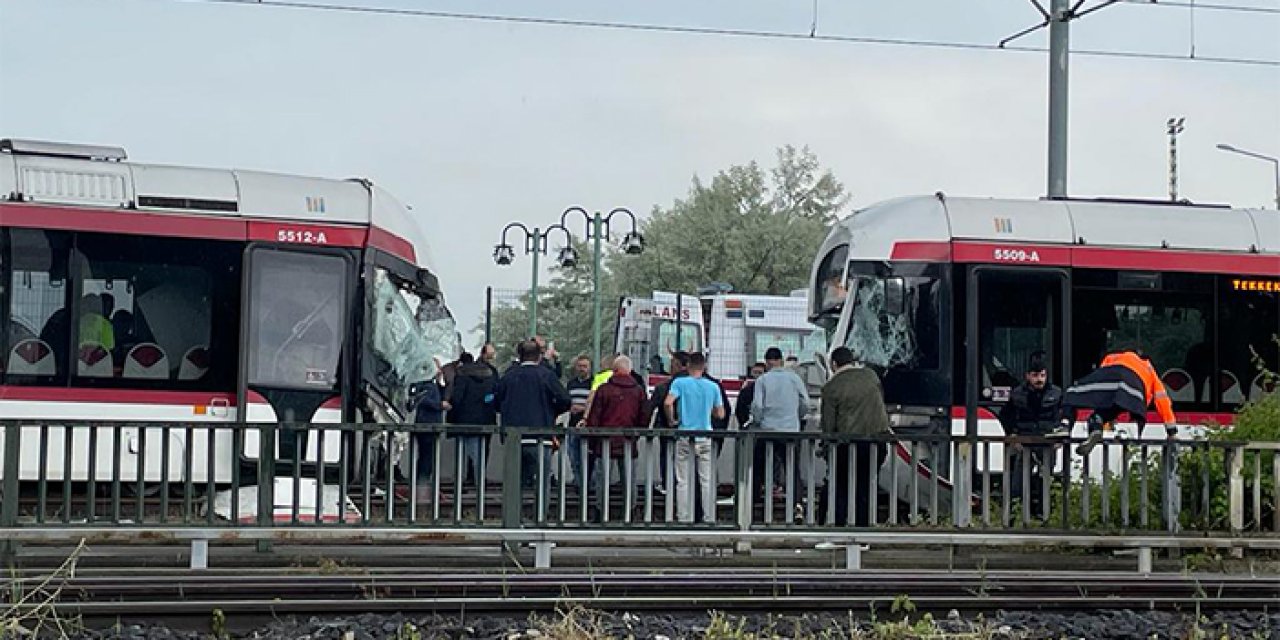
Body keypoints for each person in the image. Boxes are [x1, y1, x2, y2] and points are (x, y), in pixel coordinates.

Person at [1058, 347, 1178, 455]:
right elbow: (1162, 399)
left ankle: (1066, 425)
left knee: (1071, 393)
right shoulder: (1148, 368)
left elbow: (1102, 378)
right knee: (1107, 412)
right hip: (1134, 394)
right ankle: (1096, 426)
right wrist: (1171, 431)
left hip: (1112, 379)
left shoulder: (1113, 357)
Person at [819, 346, 890, 527]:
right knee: (865, 487)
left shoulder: (831, 387)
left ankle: (839, 529)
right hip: (877, 441)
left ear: (833, 364)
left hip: (847, 445)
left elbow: (828, 424)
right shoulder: (871, 376)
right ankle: (863, 531)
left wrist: (826, 445)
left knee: (840, 487)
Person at [495, 340, 572, 495]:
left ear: (520, 356)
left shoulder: (509, 377)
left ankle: (515, 517)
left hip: (513, 437)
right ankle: (540, 516)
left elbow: (496, 402)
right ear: (539, 356)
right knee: (542, 483)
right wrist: (551, 412)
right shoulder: (546, 375)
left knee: (515, 483)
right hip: (541, 436)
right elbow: (565, 401)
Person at [583, 355, 648, 520]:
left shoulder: (604, 390)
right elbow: (644, 416)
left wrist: (592, 441)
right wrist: (637, 434)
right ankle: (631, 512)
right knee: (629, 479)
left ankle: (600, 512)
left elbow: (595, 417)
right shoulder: (638, 391)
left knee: (602, 479)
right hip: (628, 440)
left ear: (615, 370)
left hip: (605, 440)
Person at [997, 352, 1062, 514]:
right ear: (1028, 376)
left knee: (1046, 483)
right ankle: (1014, 517)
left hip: (1048, 443)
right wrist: (1012, 435)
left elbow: (1064, 416)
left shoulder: (1057, 394)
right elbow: (1006, 416)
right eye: (1035, 375)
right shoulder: (1018, 394)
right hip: (1025, 443)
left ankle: (1044, 516)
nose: (1039, 379)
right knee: (1018, 484)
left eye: (1042, 375)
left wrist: (1061, 436)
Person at [663, 352, 724, 524]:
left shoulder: (680, 383)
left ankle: (683, 517)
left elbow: (668, 403)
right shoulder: (713, 386)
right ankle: (709, 517)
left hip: (684, 435)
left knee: (683, 480)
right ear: (704, 367)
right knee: (706, 480)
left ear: (688, 365)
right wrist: (709, 410)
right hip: (705, 436)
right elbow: (720, 413)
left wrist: (672, 419)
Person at [750, 347, 810, 503]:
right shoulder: (794, 378)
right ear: (781, 361)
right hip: (790, 429)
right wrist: (797, 416)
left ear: (767, 362)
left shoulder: (762, 380)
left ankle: (755, 500)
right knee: (792, 467)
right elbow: (806, 403)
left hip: (768, 429)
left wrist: (759, 420)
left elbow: (757, 406)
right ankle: (796, 502)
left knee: (758, 466)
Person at [449, 351, 498, 489]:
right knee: (480, 451)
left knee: (464, 451)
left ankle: (464, 482)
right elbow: (493, 396)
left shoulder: (461, 375)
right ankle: (480, 480)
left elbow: (457, 398)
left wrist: (452, 415)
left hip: (465, 419)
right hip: (486, 418)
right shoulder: (489, 374)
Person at [648, 351, 690, 494]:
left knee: (667, 457)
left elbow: (650, 408)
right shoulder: (701, 385)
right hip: (693, 431)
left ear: (677, 365)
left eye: (671, 364)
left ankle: (668, 485)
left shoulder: (663, 387)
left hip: (667, 429)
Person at [410, 369, 449, 502]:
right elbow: (423, 400)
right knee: (426, 457)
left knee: (429, 457)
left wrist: (441, 384)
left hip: (432, 424)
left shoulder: (433, 384)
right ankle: (421, 486)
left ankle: (424, 485)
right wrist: (439, 405)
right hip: (426, 424)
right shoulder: (424, 384)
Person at [565, 355, 595, 486]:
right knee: (572, 454)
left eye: (585, 366)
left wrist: (583, 409)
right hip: (573, 422)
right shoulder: (571, 383)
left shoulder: (594, 383)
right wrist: (570, 407)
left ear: (590, 368)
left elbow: (595, 403)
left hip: (587, 424)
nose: (582, 369)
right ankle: (578, 480)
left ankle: (588, 482)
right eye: (580, 366)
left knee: (588, 455)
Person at [734, 362, 767, 429]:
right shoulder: (745, 391)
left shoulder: (769, 390)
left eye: (760, 373)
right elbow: (739, 409)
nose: (757, 375)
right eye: (755, 372)